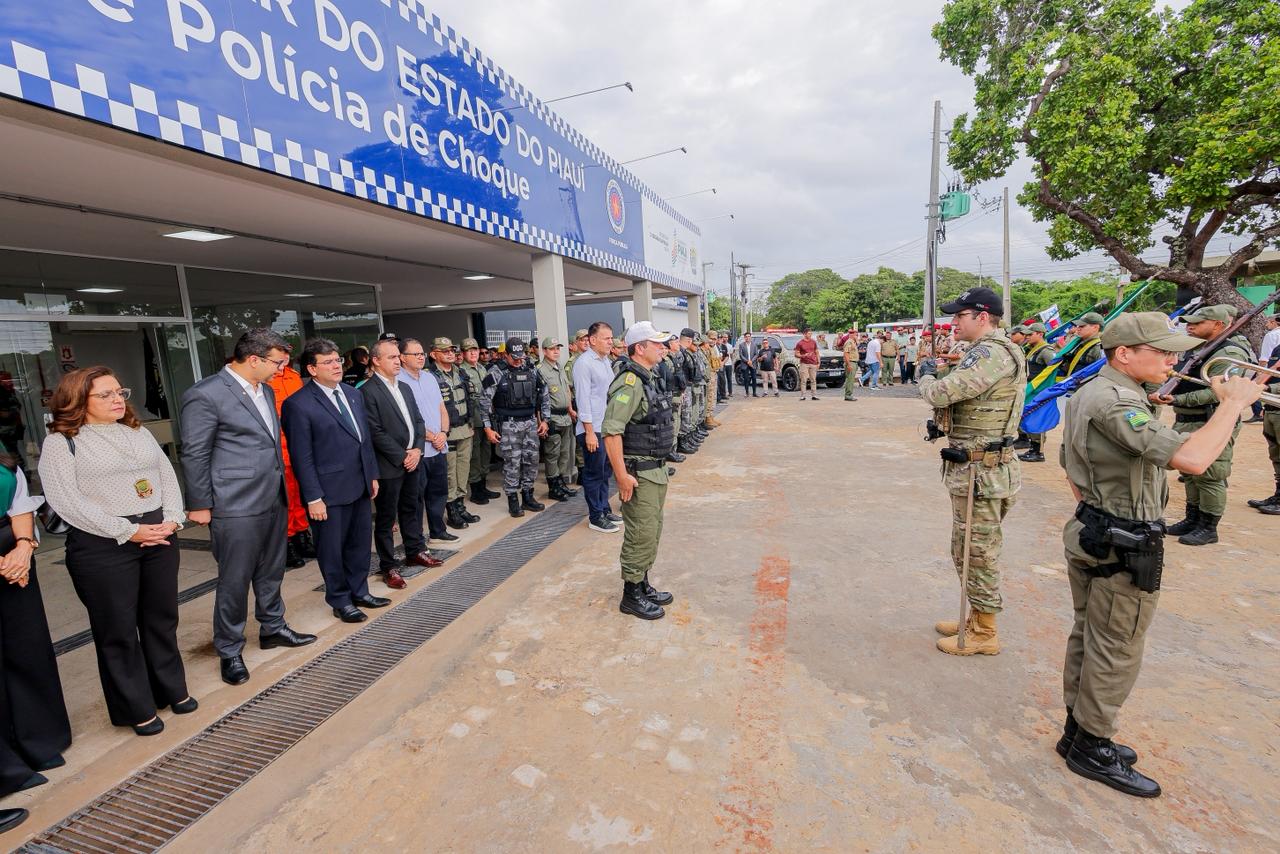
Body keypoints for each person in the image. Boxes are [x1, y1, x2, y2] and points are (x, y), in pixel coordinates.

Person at [1057, 312, 1262, 798]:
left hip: (1095, 527)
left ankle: (1078, 731)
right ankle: (1093, 744)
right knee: (1118, 646)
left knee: (1090, 634)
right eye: (1163, 351)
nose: (1173, 361)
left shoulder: (1099, 391)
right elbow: (1193, 459)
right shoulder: (1118, 401)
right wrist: (1233, 404)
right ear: (1125, 354)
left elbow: (1069, 464)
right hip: (1122, 538)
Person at [40, 367, 193, 735]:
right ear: (78, 400)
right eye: (105, 395)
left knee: (161, 619)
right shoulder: (62, 442)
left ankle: (170, 690)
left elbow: (166, 476)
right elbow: (67, 501)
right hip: (103, 544)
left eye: (120, 392)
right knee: (118, 630)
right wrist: (128, 531)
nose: (117, 400)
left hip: (158, 533)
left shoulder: (137, 431)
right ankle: (135, 708)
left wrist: (173, 519)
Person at [181, 329, 316, 687]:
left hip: (273, 495)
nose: (281, 369)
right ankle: (229, 649)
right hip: (234, 501)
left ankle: (272, 627)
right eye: (277, 362)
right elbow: (194, 453)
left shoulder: (265, 390)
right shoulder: (206, 394)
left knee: (271, 571)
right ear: (254, 359)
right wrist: (199, 504)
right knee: (235, 580)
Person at [919, 288, 1026, 656]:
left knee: (977, 553)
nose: (954, 322)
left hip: (983, 472)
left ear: (982, 317)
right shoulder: (987, 350)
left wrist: (926, 378)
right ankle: (977, 617)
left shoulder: (992, 353)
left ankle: (984, 632)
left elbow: (941, 393)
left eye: (960, 316)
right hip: (977, 468)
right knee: (966, 548)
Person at [281, 339, 387, 624]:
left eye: (337, 360)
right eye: (327, 362)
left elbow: (364, 439)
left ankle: (359, 591)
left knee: (359, 544)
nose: (336, 366)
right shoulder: (298, 404)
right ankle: (340, 600)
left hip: (359, 484)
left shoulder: (353, 394)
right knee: (332, 550)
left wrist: (372, 475)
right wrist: (313, 497)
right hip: (327, 492)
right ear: (312, 369)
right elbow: (301, 456)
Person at [0, 455, 71, 832]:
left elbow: (19, 501)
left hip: (14, 554)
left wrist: (24, 548)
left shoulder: (3, 455)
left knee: (26, 650)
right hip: (5, 561)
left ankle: (34, 743)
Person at [1151, 304, 1253, 545]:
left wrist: (1177, 399)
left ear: (1218, 324)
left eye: (1197, 323)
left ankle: (1208, 527)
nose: (1190, 327)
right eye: (1189, 323)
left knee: (1210, 476)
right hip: (1187, 419)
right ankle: (1192, 518)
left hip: (1210, 420)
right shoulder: (1202, 348)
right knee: (1189, 473)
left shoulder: (1230, 353)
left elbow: (1218, 392)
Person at [602, 321, 677, 620]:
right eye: (656, 343)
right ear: (639, 348)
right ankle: (631, 595)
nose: (663, 348)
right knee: (639, 533)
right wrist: (622, 476)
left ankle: (642, 584)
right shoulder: (629, 383)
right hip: (639, 474)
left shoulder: (648, 378)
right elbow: (611, 432)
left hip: (655, 471)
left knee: (651, 530)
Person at [362, 338, 442, 586]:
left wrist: (417, 449)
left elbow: (418, 421)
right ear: (376, 361)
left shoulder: (404, 387)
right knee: (386, 518)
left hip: (413, 459)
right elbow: (374, 431)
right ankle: (389, 566)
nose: (397, 361)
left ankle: (414, 551)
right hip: (390, 464)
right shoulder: (367, 391)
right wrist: (402, 455)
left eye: (398, 356)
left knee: (412, 508)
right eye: (392, 357)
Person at [481, 338, 551, 518]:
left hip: (530, 423)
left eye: (522, 357)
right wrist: (488, 428)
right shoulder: (496, 372)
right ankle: (513, 499)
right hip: (508, 425)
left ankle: (528, 496)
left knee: (532, 461)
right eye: (515, 357)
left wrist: (545, 420)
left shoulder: (531, 369)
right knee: (512, 463)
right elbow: (484, 402)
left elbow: (544, 393)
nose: (519, 361)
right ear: (506, 354)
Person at [573, 323, 622, 532]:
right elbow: (582, 400)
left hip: (606, 426)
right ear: (593, 340)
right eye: (606, 338)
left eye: (611, 338)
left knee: (605, 472)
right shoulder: (584, 363)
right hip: (592, 429)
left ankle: (604, 508)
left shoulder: (605, 361)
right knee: (594, 474)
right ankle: (595, 517)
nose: (610, 342)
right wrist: (590, 432)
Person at [267, 357, 314, 569]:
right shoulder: (265, 378)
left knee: (299, 496)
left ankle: (302, 536)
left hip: (298, 446)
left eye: (287, 352)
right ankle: (287, 542)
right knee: (284, 499)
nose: (284, 357)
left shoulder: (294, 377)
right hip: (278, 450)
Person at [429, 338, 480, 530]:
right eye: (445, 351)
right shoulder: (430, 377)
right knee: (450, 473)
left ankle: (460, 506)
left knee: (463, 470)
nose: (450, 353)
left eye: (451, 350)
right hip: (447, 433)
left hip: (464, 429)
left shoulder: (460, 372)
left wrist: (471, 423)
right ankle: (451, 510)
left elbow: (469, 399)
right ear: (434, 354)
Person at [456, 339, 499, 507]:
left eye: (475, 349)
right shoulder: (461, 372)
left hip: (486, 419)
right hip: (473, 420)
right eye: (469, 350)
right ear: (463, 353)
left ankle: (483, 485)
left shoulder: (482, 368)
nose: (473, 353)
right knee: (474, 456)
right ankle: (475, 490)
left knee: (485, 453)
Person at [537, 337, 578, 502]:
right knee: (552, 454)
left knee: (564, 453)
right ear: (544, 351)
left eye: (557, 348)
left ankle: (561, 483)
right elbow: (538, 399)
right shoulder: (540, 370)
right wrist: (541, 422)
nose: (556, 351)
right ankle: (553, 487)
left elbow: (566, 390)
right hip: (552, 417)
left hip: (565, 417)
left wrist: (570, 409)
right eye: (552, 348)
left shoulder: (559, 367)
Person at [1018, 322, 1058, 463]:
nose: (1027, 337)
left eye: (1030, 334)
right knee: (1029, 417)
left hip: (1039, 390)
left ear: (1040, 334)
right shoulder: (1032, 349)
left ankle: (1038, 452)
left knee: (1038, 419)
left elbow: (1053, 369)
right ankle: (1032, 448)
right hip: (1031, 389)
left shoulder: (1046, 351)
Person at [1249, 334, 1280, 513]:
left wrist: (1269, 389)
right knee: (1276, 455)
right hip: (1272, 409)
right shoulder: (1278, 349)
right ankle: (1278, 495)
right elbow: (1270, 374)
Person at [1064, 312, 1106, 377]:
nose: (1078, 328)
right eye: (1078, 326)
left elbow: (1100, 373)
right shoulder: (1079, 341)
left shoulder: (1099, 348)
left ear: (1095, 327)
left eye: (1082, 326)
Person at [794, 328, 820, 399]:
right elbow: (796, 354)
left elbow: (817, 352)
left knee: (813, 380)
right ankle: (803, 395)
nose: (810, 335)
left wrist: (818, 362)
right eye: (809, 333)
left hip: (813, 363)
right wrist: (803, 356)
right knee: (803, 380)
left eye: (811, 333)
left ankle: (814, 395)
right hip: (804, 363)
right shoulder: (800, 343)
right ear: (804, 334)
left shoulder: (813, 342)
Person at [737, 333, 758, 397]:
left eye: (749, 336)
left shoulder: (754, 345)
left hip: (752, 364)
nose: (747, 338)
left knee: (754, 378)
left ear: (750, 337)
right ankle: (747, 392)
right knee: (746, 379)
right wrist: (747, 361)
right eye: (746, 336)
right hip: (745, 364)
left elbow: (756, 354)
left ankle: (754, 393)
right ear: (744, 338)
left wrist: (751, 361)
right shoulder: (741, 345)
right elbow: (741, 355)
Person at [842, 331, 860, 401]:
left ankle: (848, 394)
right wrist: (849, 364)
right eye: (856, 335)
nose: (857, 336)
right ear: (852, 335)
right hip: (851, 362)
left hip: (853, 362)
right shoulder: (849, 342)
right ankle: (848, 395)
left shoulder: (853, 342)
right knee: (850, 379)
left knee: (851, 379)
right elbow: (846, 353)